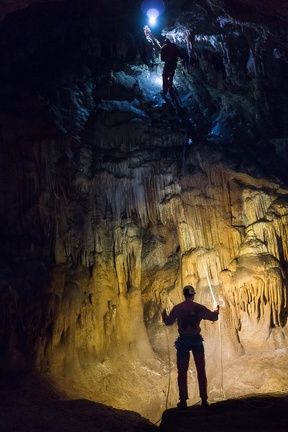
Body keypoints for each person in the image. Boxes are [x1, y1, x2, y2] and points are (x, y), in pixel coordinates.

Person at [162, 285, 219, 409]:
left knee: (182, 372)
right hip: (196, 341)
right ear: (193, 295)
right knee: (201, 370)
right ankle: (204, 399)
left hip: (183, 342)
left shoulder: (178, 308)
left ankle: (183, 401)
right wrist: (216, 310)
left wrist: (163, 313)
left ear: (184, 294)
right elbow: (214, 317)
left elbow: (168, 321)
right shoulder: (198, 308)